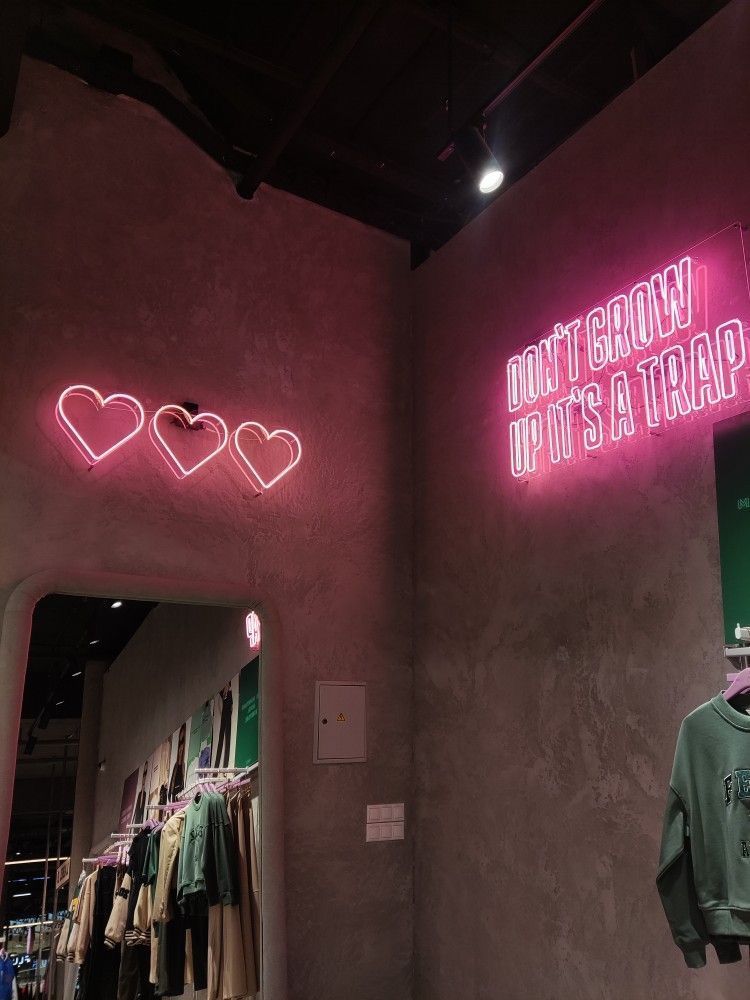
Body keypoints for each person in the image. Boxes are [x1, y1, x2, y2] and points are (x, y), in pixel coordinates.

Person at [213, 683, 233, 769]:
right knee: (221, 740)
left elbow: (231, 705)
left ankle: (225, 766)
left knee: (227, 740)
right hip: (223, 717)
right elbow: (219, 704)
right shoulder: (222, 694)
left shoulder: (230, 692)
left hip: (228, 717)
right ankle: (216, 767)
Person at [168, 723, 187, 802]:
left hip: (180, 791)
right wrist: (169, 792)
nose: (180, 751)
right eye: (181, 733)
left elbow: (183, 781)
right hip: (174, 791)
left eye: (183, 733)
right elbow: (172, 779)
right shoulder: (176, 765)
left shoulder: (183, 765)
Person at [132, 760, 149, 825]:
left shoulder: (145, 794)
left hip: (141, 821)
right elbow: (136, 809)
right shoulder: (140, 794)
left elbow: (144, 810)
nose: (143, 780)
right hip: (137, 820)